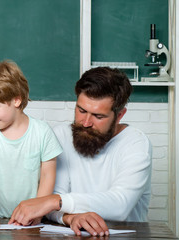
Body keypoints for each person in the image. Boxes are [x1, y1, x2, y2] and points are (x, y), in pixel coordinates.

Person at [9, 67, 152, 237]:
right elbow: (49, 206)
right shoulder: (60, 136)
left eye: (98, 116)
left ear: (120, 115)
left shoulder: (136, 143)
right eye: (81, 111)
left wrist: (55, 201)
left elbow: (121, 204)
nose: (85, 123)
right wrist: (70, 218)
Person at [0, 60, 63, 231]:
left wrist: (38, 212)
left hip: (34, 219)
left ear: (16, 100)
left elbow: (48, 175)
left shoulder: (42, 132)